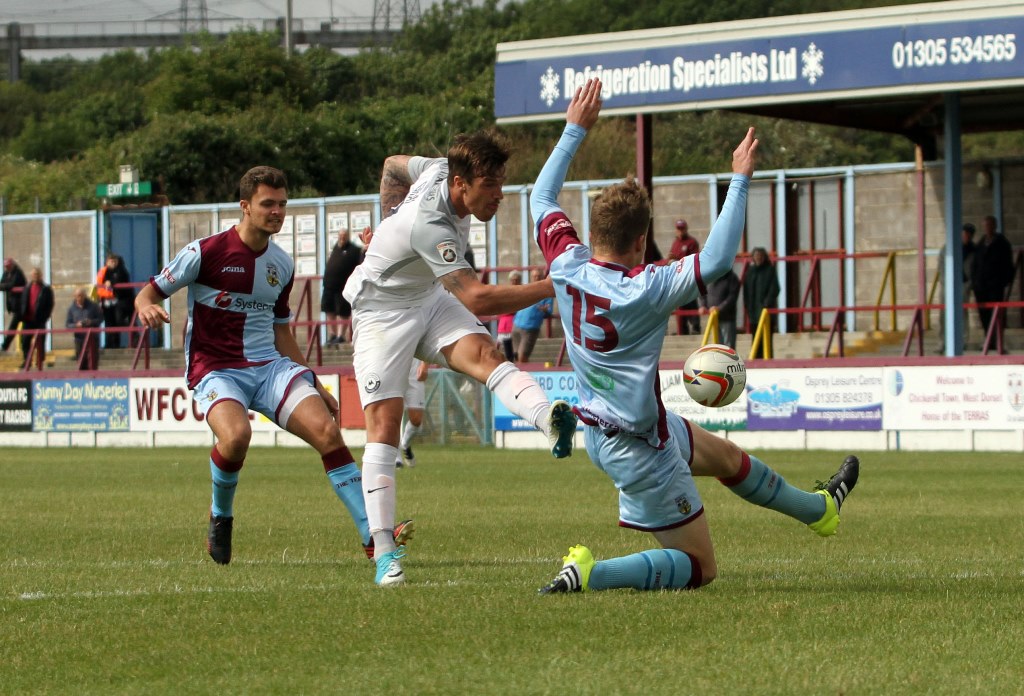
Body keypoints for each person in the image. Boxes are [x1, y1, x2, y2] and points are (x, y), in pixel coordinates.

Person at [529, 79, 859, 595]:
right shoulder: (648, 286)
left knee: (725, 457)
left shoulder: (567, 262)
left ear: (593, 232)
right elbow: (720, 259)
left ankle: (819, 510)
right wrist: (740, 180)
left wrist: (575, 129)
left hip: (614, 428)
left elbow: (542, 195)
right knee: (700, 567)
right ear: (642, 241)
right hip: (636, 446)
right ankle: (594, 572)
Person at [135, 165, 412, 566]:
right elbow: (148, 293)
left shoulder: (280, 264)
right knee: (235, 437)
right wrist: (146, 306)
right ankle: (221, 515)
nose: (277, 212)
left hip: (268, 366)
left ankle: (372, 536)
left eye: (283, 204)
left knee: (327, 433)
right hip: (216, 368)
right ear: (245, 206)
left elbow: (282, 333)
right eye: (268, 204)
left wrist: (314, 384)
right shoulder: (205, 252)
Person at [343, 129, 579, 587]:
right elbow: (477, 298)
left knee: (485, 353)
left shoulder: (435, 167)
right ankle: (385, 553)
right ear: (460, 184)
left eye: (502, 183)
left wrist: (388, 213)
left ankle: (548, 418)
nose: (499, 196)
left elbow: (393, 162)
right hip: (381, 312)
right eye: (489, 186)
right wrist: (556, 286)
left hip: (428, 297)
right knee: (384, 425)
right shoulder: (429, 225)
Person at [970, 215, 1014, 338]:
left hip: (995, 286)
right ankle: (988, 339)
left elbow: (1008, 265)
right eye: (985, 226)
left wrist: (1003, 281)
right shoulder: (980, 244)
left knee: (996, 313)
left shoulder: (1002, 243)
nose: (988, 228)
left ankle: (997, 340)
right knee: (984, 314)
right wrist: (975, 282)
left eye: (990, 225)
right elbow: (975, 264)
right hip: (981, 287)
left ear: (995, 226)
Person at [321, 228, 362, 345]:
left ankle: (340, 335)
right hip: (329, 286)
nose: (342, 238)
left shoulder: (354, 250)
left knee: (343, 312)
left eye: (344, 236)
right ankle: (332, 335)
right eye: (340, 235)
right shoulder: (336, 248)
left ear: (348, 236)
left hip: (343, 287)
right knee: (329, 310)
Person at [667, 219, 701, 335]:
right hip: (678, 280)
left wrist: (678, 260)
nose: (680, 231)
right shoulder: (675, 243)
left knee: (691, 302)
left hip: (688, 278)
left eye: (682, 228)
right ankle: (682, 330)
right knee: (680, 305)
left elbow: (694, 259)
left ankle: (695, 327)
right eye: (678, 229)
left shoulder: (691, 242)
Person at [512, 269, 553, 363]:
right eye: (534, 276)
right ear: (531, 277)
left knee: (522, 356)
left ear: (543, 277)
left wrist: (545, 310)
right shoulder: (527, 288)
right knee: (514, 357)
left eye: (538, 276)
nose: (536, 278)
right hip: (516, 325)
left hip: (530, 328)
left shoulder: (547, 293)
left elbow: (548, 312)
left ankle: (525, 375)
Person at [395, 358, 429, 468]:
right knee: (394, 415)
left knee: (416, 419)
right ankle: (397, 458)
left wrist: (425, 365)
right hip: (394, 374)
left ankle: (405, 444)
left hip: (415, 374)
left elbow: (423, 341)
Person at [18, 267, 54, 370]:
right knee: (25, 341)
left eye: (37, 274)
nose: (35, 276)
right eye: (34, 274)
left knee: (41, 341)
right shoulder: (27, 287)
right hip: (28, 319)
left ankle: (40, 361)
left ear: (41, 275)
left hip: (40, 320)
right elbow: (23, 302)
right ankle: (27, 360)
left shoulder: (46, 289)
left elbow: (50, 304)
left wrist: (45, 317)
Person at [96, 253, 133, 349]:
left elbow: (120, 280)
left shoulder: (121, 270)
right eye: (110, 261)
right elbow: (99, 284)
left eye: (114, 261)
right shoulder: (104, 272)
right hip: (106, 301)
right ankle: (109, 344)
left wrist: (111, 283)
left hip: (118, 301)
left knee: (117, 321)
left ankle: (116, 344)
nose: (113, 263)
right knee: (109, 324)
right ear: (107, 262)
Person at [699, 268, 741, 349]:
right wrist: (703, 305)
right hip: (713, 318)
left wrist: (720, 308)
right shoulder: (709, 277)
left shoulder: (732, 278)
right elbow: (702, 293)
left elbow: (732, 297)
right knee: (717, 347)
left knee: (728, 346)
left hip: (727, 318)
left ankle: (730, 362)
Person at [743, 247, 781, 333]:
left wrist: (767, 303)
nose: (758, 258)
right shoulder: (750, 272)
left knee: (766, 340)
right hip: (753, 312)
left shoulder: (770, 270)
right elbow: (746, 291)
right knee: (755, 340)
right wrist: (747, 305)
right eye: (756, 256)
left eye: (760, 256)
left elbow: (775, 288)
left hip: (766, 311)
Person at [66, 286, 103, 370]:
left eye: (82, 295)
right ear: (74, 297)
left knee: (93, 362)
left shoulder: (93, 306)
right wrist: (76, 325)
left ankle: (93, 380)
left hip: (92, 338)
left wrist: (91, 322)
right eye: (78, 296)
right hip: (79, 339)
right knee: (81, 362)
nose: (80, 298)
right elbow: (68, 324)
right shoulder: (71, 309)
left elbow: (100, 318)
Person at [1, 257, 27, 352]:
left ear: (12, 265)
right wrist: (6, 286)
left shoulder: (18, 273)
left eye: (8, 266)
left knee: (14, 326)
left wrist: (5, 286)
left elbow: (11, 285)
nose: (7, 268)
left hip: (22, 306)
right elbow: (2, 284)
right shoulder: (6, 273)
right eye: (5, 267)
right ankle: (7, 346)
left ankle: (5, 346)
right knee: (19, 327)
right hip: (14, 306)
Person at [495, 271, 522, 361]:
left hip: (515, 324)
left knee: (515, 351)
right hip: (504, 325)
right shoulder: (505, 291)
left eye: (516, 280)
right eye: (512, 280)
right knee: (505, 351)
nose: (514, 282)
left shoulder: (522, 291)